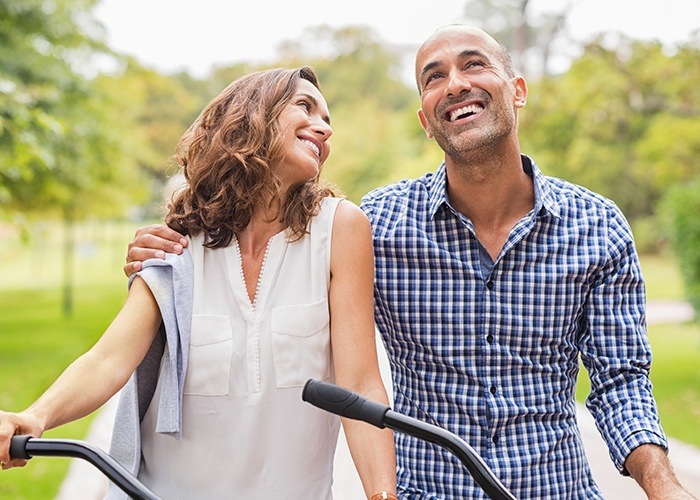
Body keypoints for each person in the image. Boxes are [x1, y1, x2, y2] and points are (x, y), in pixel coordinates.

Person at [120, 26, 696, 499]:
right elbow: (279, 271)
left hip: (554, 490)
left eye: (474, 65)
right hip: (424, 492)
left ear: (516, 89)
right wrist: (175, 244)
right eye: (433, 77)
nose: (456, 84)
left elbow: (621, 383)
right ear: (425, 118)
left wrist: (663, 486)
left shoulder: (597, 226)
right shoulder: (378, 224)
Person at [0, 66, 398, 500]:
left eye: (327, 119)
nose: (324, 127)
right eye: (305, 106)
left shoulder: (340, 229)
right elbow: (109, 360)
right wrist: (34, 416)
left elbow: (360, 384)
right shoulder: (176, 243)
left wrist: (383, 496)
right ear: (252, 117)